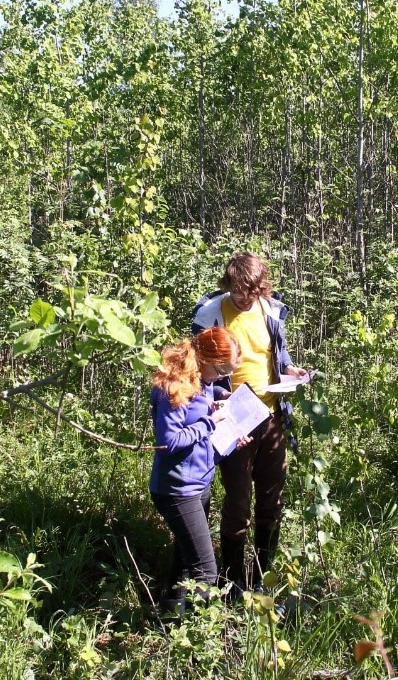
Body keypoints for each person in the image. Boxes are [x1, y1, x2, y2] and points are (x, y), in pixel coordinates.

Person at [192, 252, 308, 594]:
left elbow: (277, 354)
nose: (245, 298)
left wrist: (291, 371)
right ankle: (232, 581)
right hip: (234, 421)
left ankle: (261, 577)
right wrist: (216, 400)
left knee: (272, 498)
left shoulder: (269, 309)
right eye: (239, 291)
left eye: (252, 291)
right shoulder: (211, 315)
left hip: (271, 417)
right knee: (238, 502)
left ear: (262, 288)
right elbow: (199, 370)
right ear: (228, 285)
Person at [149, 326, 246, 618]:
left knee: (184, 561)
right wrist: (211, 422)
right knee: (206, 570)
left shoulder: (202, 383)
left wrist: (230, 439)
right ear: (204, 356)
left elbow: (201, 442)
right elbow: (169, 442)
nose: (221, 376)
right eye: (220, 369)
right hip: (177, 491)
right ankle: (199, 636)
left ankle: (171, 621)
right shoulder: (172, 386)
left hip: (198, 484)